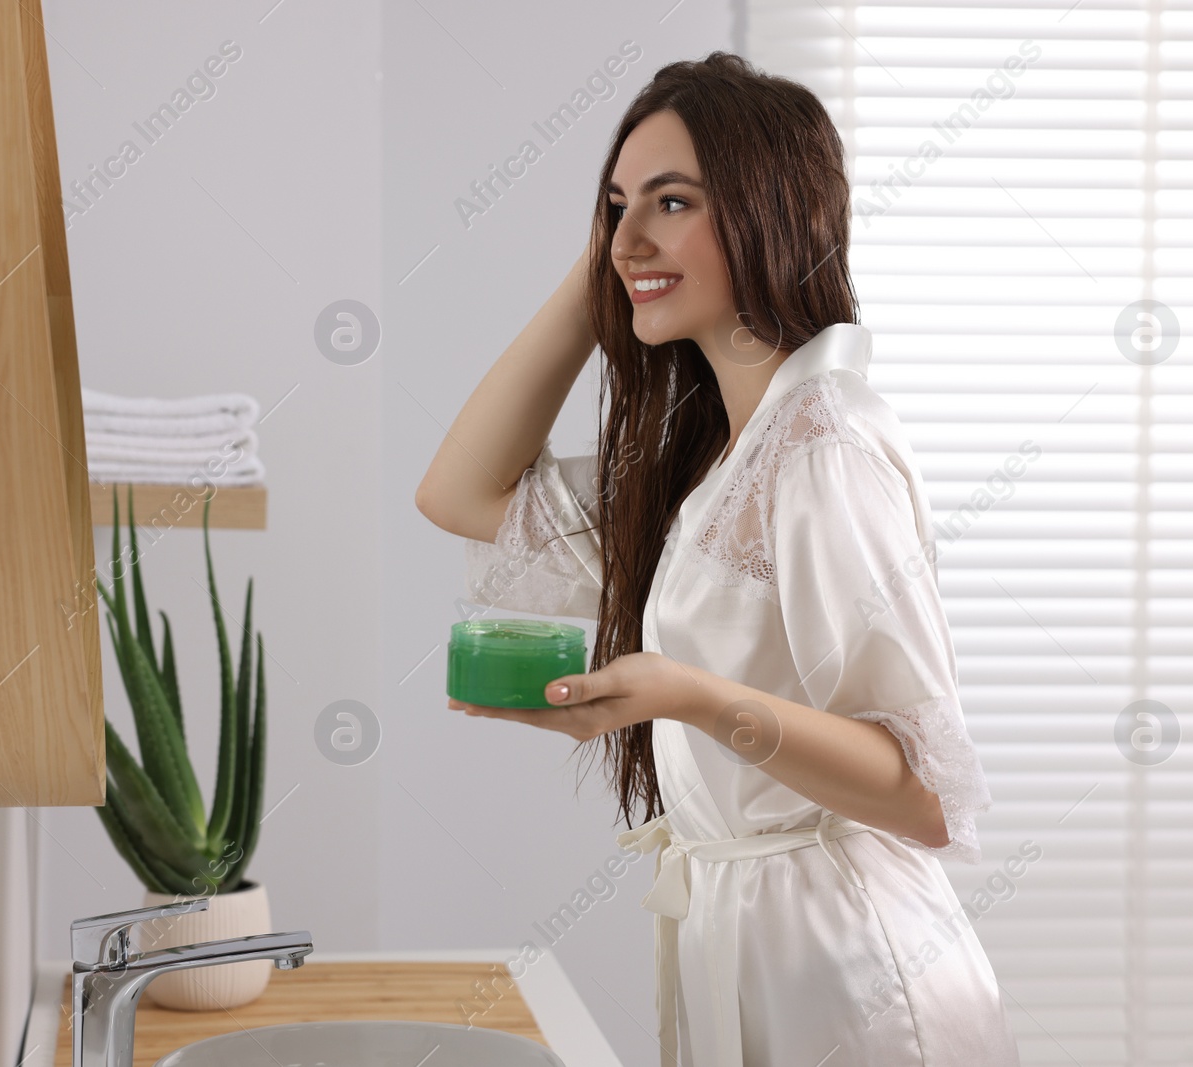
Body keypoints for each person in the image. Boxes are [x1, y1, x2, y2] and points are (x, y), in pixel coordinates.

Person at [415, 50, 1021, 1067]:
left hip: (855, 976)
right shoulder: (708, 467)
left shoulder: (824, 445)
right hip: (751, 950)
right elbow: (460, 492)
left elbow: (921, 792)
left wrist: (684, 695)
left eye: (673, 200)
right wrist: (612, 263)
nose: (630, 236)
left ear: (767, 213)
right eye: (615, 205)